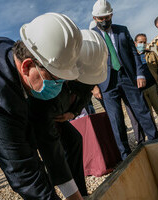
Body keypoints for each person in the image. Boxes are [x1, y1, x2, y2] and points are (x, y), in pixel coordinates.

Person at [0, 13, 84, 200]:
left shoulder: (10, 52)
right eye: (56, 80)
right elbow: (23, 172)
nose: (58, 88)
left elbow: (33, 141)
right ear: (27, 66)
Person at [28, 29, 108, 197]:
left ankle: (81, 191)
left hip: (60, 116)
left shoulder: (87, 76)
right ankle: (54, 190)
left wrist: (72, 113)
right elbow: (44, 119)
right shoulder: (55, 78)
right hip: (41, 118)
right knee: (48, 155)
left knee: (74, 141)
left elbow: (85, 95)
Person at [91, 0, 158, 160]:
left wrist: (140, 74)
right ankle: (126, 156)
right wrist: (93, 85)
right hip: (106, 84)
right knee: (116, 120)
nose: (104, 21)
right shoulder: (91, 36)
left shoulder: (122, 30)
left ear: (111, 14)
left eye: (106, 17)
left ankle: (155, 143)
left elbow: (134, 53)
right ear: (95, 18)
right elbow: (89, 62)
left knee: (142, 111)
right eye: (100, 18)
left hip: (127, 77)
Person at [134, 33, 158, 137]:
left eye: (144, 42)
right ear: (135, 43)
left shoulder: (151, 54)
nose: (143, 44)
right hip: (141, 90)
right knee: (148, 114)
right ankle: (154, 135)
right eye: (140, 42)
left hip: (153, 87)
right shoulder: (132, 57)